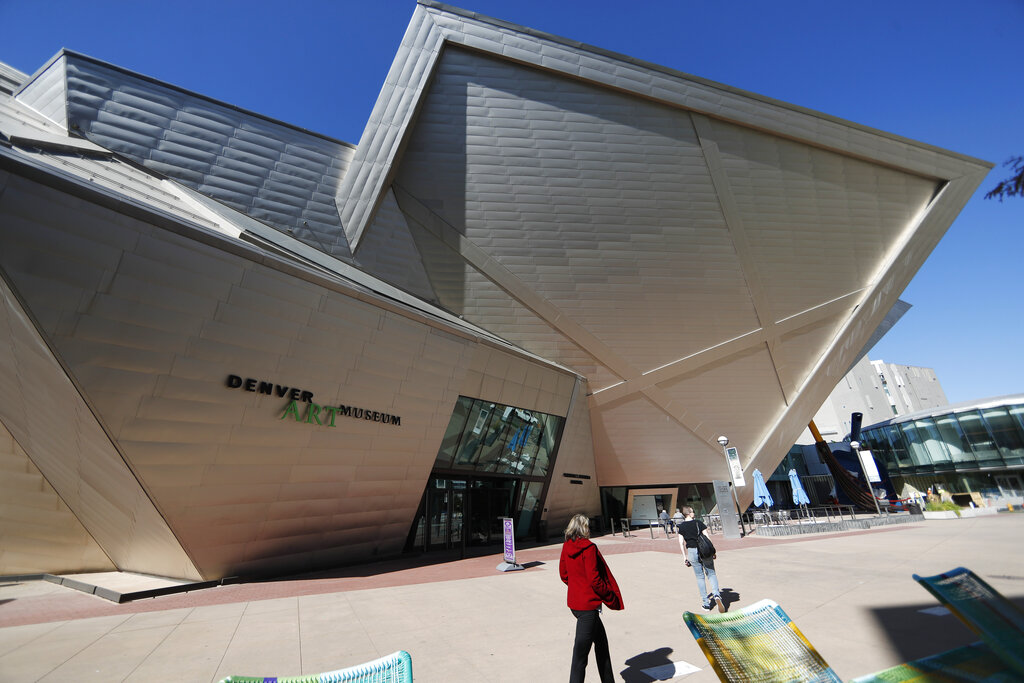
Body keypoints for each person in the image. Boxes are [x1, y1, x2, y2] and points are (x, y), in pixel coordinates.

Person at [559, 513, 623, 683]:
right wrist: (608, 595)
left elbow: (564, 574)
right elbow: (595, 579)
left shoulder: (566, 546)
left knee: (602, 644)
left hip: (576, 604)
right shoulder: (589, 548)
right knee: (580, 656)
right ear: (584, 528)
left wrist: (577, 588)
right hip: (588, 607)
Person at [677, 506, 723, 612]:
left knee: (699, 577)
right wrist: (713, 551)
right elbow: (707, 537)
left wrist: (684, 557)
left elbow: (681, 543)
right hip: (704, 550)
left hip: (692, 551)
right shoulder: (699, 523)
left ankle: (706, 604)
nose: (694, 513)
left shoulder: (681, 527)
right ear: (689, 513)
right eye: (692, 511)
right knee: (711, 573)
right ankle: (716, 594)